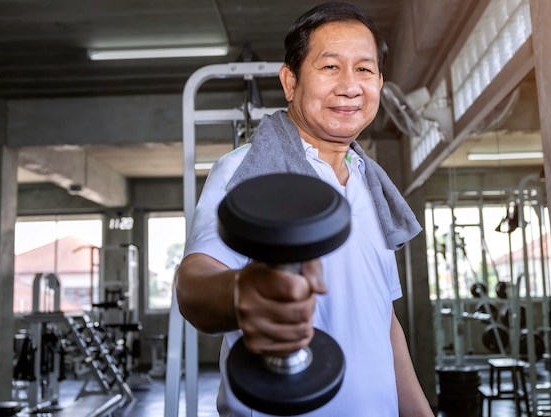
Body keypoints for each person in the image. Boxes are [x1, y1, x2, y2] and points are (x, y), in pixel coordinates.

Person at [175, 2, 434, 416]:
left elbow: (382, 323)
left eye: (365, 70)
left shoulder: (370, 182)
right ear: (290, 81)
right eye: (330, 67)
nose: (350, 86)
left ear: (380, 83)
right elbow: (193, 283)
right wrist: (242, 294)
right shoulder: (246, 170)